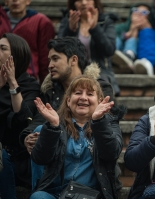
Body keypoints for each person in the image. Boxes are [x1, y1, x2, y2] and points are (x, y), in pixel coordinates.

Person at [18, 36, 116, 190]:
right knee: (38, 133)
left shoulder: (100, 86)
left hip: (89, 140)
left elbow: (109, 121)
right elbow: (40, 117)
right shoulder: (50, 89)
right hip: (57, 144)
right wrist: (27, 136)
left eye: (55, 59)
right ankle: (40, 189)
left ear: (73, 60)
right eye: (49, 60)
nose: (50, 65)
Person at [27, 75, 125, 199]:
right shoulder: (55, 125)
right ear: (68, 101)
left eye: (89, 94)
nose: (83, 97)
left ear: (99, 102)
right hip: (57, 195)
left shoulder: (109, 124)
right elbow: (40, 158)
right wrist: (52, 128)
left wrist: (98, 121)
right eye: (77, 93)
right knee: (37, 198)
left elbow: (111, 153)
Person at [0, 33, 40, 199]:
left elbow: (23, 121)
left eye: (2, 48)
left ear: (15, 55)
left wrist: (12, 84)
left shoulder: (29, 85)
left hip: (18, 156)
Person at [58, 0, 120, 96]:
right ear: (73, 4)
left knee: (101, 85)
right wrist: (70, 30)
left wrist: (95, 28)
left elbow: (109, 50)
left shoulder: (105, 21)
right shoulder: (68, 21)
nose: (83, 2)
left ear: (95, 2)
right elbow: (59, 50)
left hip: (101, 71)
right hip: (73, 70)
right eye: (79, 0)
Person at [0, 0, 55, 83]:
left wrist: (46, 85)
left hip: (27, 78)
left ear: (28, 1)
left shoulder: (41, 21)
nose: (15, 0)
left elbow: (45, 56)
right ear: (5, 1)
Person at [113, 3, 154, 69]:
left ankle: (129, 54)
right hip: (118, 49)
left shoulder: (151, 31)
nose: (139, 14)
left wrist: (148, 30)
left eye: (144, 12)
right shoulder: (121, 27)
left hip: (141, 57)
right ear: (131, 14)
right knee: (116, 39)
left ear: (149, 17)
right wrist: (129, 33)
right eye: (135, 10)